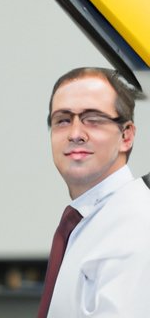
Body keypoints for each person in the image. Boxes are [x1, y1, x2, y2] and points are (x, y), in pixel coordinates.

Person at [39, 66, 150, 317]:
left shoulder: (137, 225)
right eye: (63, 120)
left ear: (126, 136)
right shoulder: (90, 220)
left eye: (94, 119)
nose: (75, 134)